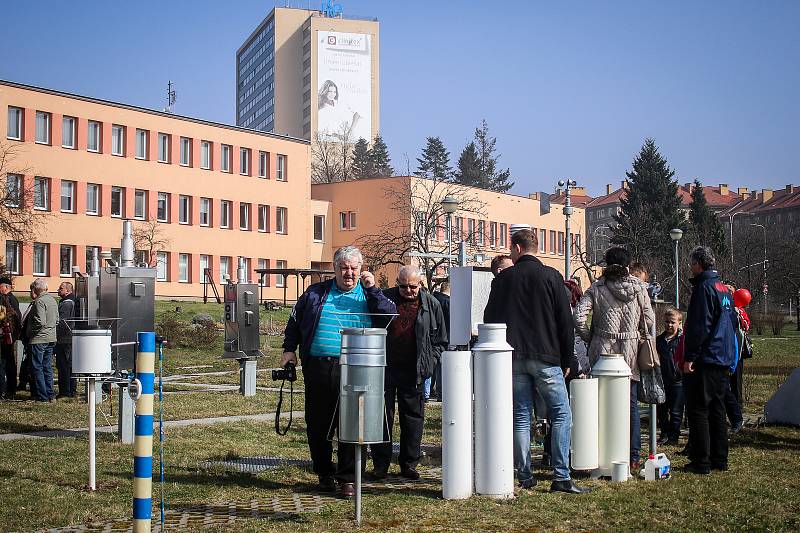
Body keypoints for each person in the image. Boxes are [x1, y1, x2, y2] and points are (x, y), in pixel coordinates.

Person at [280, 246, 396, 498]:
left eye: (354, 268)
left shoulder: (369, 294)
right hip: (320, 366)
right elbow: (295, 322)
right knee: (318, 424)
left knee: (352, 423)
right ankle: (324, 473)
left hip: (357, 367)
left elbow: (389, 315)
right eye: (344, 267)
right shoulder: (315, 293)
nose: (349, 273)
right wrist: (289, 350)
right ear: (334, 269)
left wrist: (373, 289)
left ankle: (348, 479)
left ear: (361, 269)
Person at [484, 229, 589, 494]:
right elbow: (566, 323)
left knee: (521, 416)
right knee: (561, 414)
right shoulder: (552, 277)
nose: (509, 253)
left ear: (517, 248)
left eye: (510, 249)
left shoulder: (503, 279)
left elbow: (489, 317)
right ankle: (561, 477)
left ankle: (525, 475)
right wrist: (568, 358)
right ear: (535, 246)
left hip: (514, 356)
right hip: (547, 355)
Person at [574, 246, 655, 471]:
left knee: (600, 403)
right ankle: (633, 456)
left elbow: (579, 316)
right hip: (629, 350)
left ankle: (602, 453)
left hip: (602, 348)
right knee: (630, 404)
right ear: (628, 266)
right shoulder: (639, 288)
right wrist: (636, 332)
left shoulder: (597, 287)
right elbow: (649, 318)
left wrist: (590, 337)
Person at [371, 266, 447, 480]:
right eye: (402, 286)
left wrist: (430, 362)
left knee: (413, 418)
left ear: (420, 284)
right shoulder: (385, 298)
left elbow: (440, 339)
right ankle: (380, 464)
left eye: (412, 287)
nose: (408, 291)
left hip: (414, 368)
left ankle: (409, 464)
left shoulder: (431, 304)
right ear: (397, 283)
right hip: (385, 366)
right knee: (382, 417)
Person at [682, 246, 739, 474]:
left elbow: (699, 325)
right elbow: (731, 323)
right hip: (723, 356)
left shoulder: (703, 288)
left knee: (698, 410)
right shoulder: (724, 289)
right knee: (717, 408)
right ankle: (720, 459)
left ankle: (701, 461)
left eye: (692, 263)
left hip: (706, 356)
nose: (690, 267)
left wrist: (690, 356)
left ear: (698, 264)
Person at [26, 278, 59, 402]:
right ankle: (50, 395)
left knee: (37, 367)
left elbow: (40, 321)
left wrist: (30, 332)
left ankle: (42, 396)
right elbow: (57, 320)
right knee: (47, 367)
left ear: (35, 289)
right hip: (51, 337)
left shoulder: (39, 301)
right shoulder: (52, 300)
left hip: (39, 339)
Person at [657, 307, 684, 445]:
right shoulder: (660, 340)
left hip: (677, 381)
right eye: (667, 322)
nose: (669, 325)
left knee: (676, 411)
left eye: (672, 322)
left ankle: (674, 436)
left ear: (679, 323)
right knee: (661, 410)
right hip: (662, 380)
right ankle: (664, 433)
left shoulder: (681, 340)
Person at [425, 281, 450, 402]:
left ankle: (428, 391)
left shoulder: (431, 299)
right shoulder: (448, 302)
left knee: (432, 365)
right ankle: (440, 393)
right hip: (444, 337)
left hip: (430, 335)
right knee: (441, 366)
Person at [55, 282, 78, 398]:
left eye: (61, 288)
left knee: (64, 365)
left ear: (68, 291)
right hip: (70, 338)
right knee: (70, 365)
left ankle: (65, 391)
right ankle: (71, 390)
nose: (58, 290)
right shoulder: (72, 301)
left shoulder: (66, 304)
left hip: (65, 339)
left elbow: (62, 323)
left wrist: (56, 334)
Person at [0, 277, 21, 400]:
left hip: (4, 336)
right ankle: (11, 388)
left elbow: (2, 318)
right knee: (10, 362)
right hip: (10, 336)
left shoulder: (4, 300)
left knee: (3, 363)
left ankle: (2, 390)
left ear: (5, 287)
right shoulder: (14, 299)